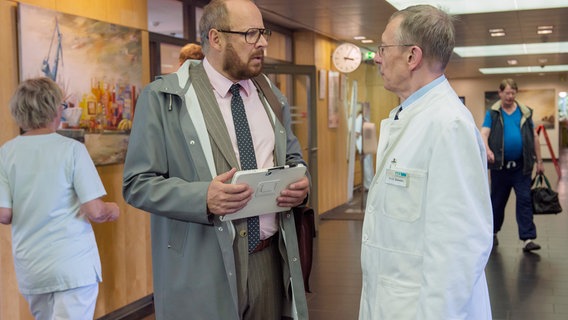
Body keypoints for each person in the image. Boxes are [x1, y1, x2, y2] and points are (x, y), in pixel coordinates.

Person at [122, 0, 310, 319]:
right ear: (216, 38)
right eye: (251, 34)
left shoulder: (270, 97)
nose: (263, 42)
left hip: (269, 261)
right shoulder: (163, 98)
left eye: (263, 33)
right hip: (204, 267)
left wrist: (301, 186)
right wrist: (202, 198)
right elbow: (137, 184)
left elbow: (294, 159)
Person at [359, 5, 493, 319]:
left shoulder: (449, 126)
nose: (377, 57)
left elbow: (459, 248)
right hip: (392, 301)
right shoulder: (408, 117)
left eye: (383, 48)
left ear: (412, 56)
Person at [0, 77, 120, 319]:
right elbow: (95, 211)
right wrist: (113, 209)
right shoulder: (71, 150)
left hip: (32, 267)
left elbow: (4, 213)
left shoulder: (6, 153)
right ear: (54, 108)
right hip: (71, 267)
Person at [481, 78, 544, 252]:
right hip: (500, 167)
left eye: (512, 92)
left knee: (524, 201)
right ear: (500, 93)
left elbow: (535, 137)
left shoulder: (525, 112)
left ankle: (528, 238)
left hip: (521, 167)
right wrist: (486, 149)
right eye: (506, 92)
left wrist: (539, 161)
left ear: (516, 93)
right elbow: (484, 134)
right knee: (497, 202)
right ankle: (492, 233)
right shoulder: (493, 113)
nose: (509, 96)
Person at [354, 110, 374, 190]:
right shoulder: (365, 119)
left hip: (364, 146)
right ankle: (370, 185)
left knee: (366, 167)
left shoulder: (360, 119)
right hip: (368, 145)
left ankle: (368, 185)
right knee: (369, 166)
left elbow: (356, 133)